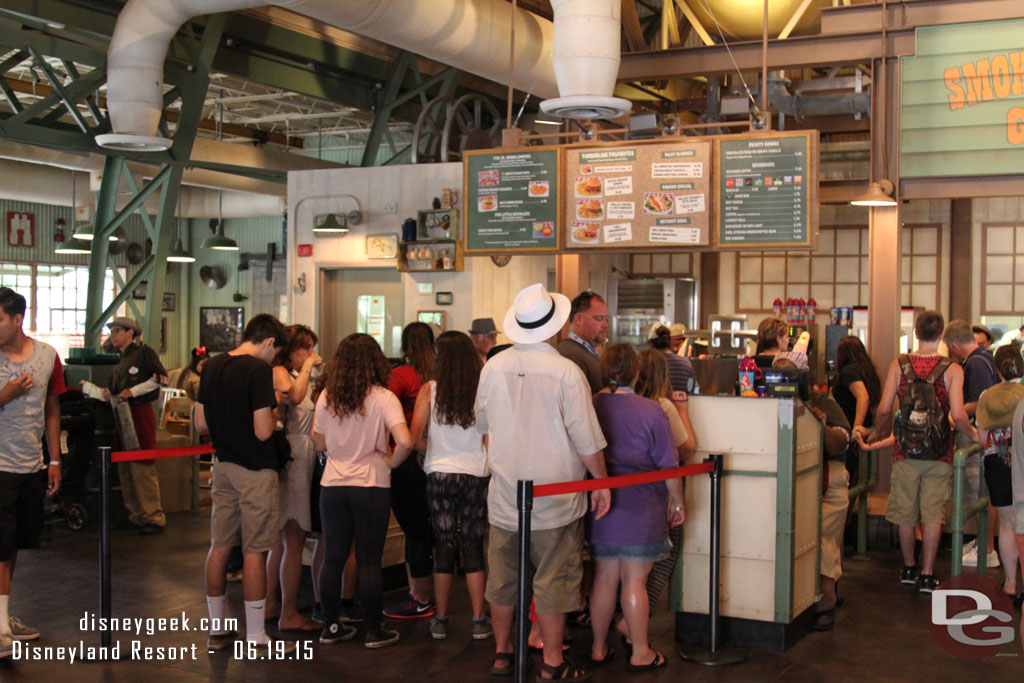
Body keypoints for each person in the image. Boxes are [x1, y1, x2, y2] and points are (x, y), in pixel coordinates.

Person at [476, 283, 610, 680]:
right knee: (554, 581)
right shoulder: (566, 372)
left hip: (503, 495)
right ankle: (553, 661)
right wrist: (601, 482)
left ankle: (502, 652)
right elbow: (587, 441)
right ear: (554, 325)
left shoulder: (492, 367)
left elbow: (483, 427)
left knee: (502, 579)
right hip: (557, 499)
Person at [195, 313, 290, 652]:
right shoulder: (258, 370)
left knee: (219, 546)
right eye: (275, 353)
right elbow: (264, 430)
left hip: (222, 467)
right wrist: (275, 408)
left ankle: (217, 629)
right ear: (268, 342)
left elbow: (200, 422)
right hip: (255, 472)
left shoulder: (214, 365)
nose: (273, 360)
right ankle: (255, 634)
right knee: (255, 551)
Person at [312, 333, 413, 649]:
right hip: (371, 485)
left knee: (333, 557)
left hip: (333, 485)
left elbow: (318, 442)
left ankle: (330, 626)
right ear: (376, 362)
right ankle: (373, 630)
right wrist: (390, 461)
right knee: (369, 560)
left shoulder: (327, 395)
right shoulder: (384, 397)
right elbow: (407, 441)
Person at [588, 344, 684, 672]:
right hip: (642, 505)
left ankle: (598, 647)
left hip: (599, 505)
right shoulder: (650, 410)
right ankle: (640, 651)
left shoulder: (591, 405)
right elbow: (669, 465)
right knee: (634, 581)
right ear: (636, 372)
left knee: (603, 578)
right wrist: (678, 500)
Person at [868, 311, 976, 593]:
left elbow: (883, 408)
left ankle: (908, 568)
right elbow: (958, 415)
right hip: (939, 454)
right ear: (942, 336)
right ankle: (928, 574)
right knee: (932, 513)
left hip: (904, 452)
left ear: (915, 334)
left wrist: (877, 431)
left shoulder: (899, 365)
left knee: (905, 511)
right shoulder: (952, 370)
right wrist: (974, 435)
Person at [408, 331, 491, 641]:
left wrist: (436, 445)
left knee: (444, 545)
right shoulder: (482, 391)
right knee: (473, 545)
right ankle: (479, 620)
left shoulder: (430, 390)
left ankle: (441, 619)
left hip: (440, 473)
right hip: (476, 474)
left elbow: (415, 438)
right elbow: (489, 439)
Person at [613, 348, 696, 649]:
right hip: (654, 498)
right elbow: (686, 448)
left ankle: (603, 640)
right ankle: (635, 631)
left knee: (616, 570)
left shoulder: (615, 403)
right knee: (661, 558)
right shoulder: (662, 406)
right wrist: (683, 410)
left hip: (617, 497)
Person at [0, 287, 64, 658]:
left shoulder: (47, 356)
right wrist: (4, 395)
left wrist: (54, 459)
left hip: (30, 464)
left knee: (13, 546)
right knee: (0, 545)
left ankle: (4, 616)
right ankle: (1, 627)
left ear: (17, 319)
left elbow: (52, 407)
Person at [264, 325, 322, 632]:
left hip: (297, 457)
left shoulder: (288, 374)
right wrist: (310, 366)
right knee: (293, 538)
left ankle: (273, 604)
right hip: (294, 460)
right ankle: (287, 612)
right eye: (305, 348)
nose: (310, 353)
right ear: (290, 349)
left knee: (284, 541)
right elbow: (297, 399)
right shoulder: (281, 373)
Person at [383, 322, 436, 620]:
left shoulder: (401, 375)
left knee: (413, 531)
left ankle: (419, 598)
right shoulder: (438, 374)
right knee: (426, 531)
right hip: (435, 458)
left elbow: (384, 413)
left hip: (404, 458)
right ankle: (423, 595)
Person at [944, 319, 1000, 567]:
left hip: (979, 434)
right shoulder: (985, 358)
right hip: (985, 433)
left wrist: (958, 410)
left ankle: (986, 549)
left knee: (980, 492)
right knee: (981, 492)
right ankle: (982, 543)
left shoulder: (975, 363)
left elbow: (980, 401)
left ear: (955, 346)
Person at [105, 316, 167, 535]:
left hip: (139, 411)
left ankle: (154, 516)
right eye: (111, 331)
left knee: (142, 466)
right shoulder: (121, 360)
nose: (113, 335)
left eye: (117, 330)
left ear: (131, 332)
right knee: (126, 467)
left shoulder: (144, 353)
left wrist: (133, 391)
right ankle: (137, 514)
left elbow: (160, 378)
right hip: (122, 413)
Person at [975, 343, 1024, 604]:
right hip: (1022, 463)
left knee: (1006, 523)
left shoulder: (987, 396)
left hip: (996, 461)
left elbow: (982, 435)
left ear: (998, 368)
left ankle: (1010, 583)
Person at [832, 336, 882, 483]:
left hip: (849, 427)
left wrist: (857, 426)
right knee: (857, 478)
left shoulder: (848, 371)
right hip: (865, 425)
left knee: (849, 476)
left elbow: (863, 396)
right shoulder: (867, 371)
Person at [557, 290, 608, 395]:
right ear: (579, 319)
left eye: (606, 319)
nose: (605, 325)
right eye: (599, 319)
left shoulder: (586, 352)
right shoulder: (571, 355)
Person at [648, 325, 697, 398]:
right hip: (682, 405)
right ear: (669, 341)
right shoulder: (686, 363)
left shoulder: (649, 363)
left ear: (651, 344)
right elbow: (693, 389)